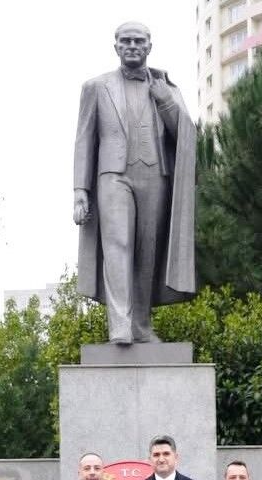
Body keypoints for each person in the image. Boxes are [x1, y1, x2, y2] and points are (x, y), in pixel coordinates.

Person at [73, 21, 196, 345]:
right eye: (125, 41)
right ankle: (120, 324)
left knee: (147, 252)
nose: (131, 46)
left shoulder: (165, 86)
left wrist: (164, 99)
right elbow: (84, 140)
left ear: (149, 47)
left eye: (138, 41)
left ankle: (141, 324)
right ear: (116, 47)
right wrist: (80, 191)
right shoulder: (96, 87)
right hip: (113, 176)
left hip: (155, 174)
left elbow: (185, 133)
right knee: (118, 244)